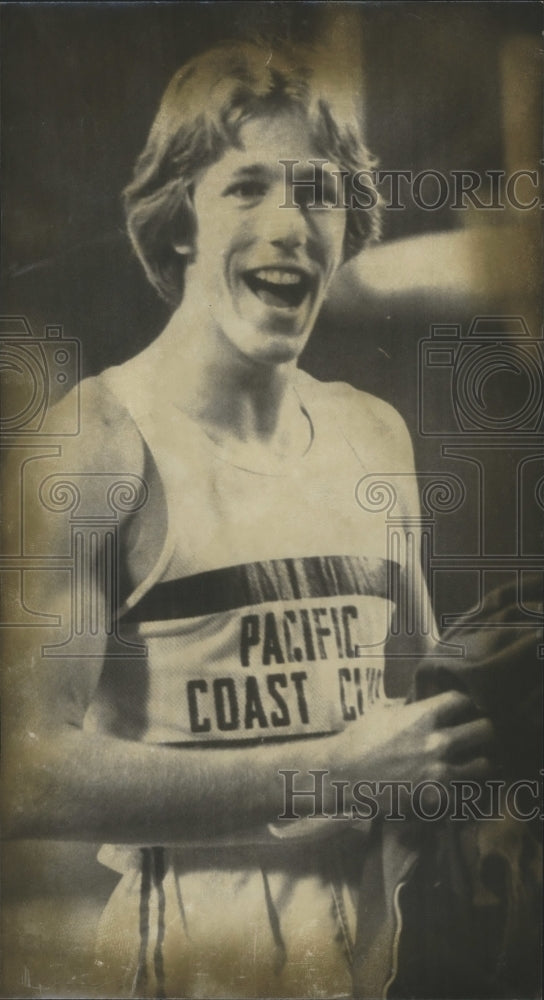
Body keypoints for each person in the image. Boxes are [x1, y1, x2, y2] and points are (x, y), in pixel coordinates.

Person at [4, 40, 495, 999]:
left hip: (364, 974)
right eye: (247, 188)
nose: (289, 224)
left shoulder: (372, 435)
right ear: (180, 216)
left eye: (318, 191)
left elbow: (419, 724)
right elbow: (20, 772)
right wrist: (326, 774)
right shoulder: (97, 440)